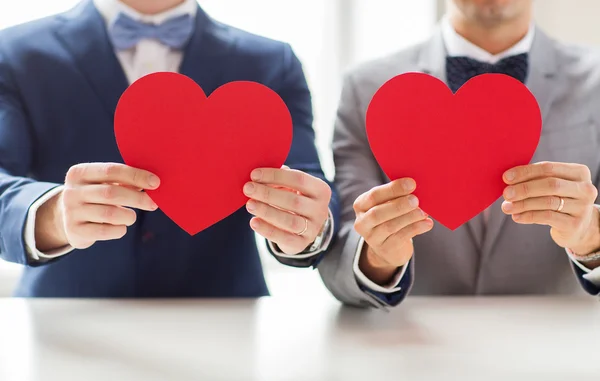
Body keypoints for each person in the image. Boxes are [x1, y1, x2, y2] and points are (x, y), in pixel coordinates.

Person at [0, 0, 339, 297]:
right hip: (63, 326)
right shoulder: (14, 53)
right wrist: (52, 215)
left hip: (224, 324)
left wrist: (305, 226)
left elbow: (310, 183)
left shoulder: (272, 63)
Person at [318, 0, 600, 308]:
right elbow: (339, 255)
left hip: (562, 343)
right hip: (412, 344)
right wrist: (378, 257)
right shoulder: (365, 87)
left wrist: (591, 238)